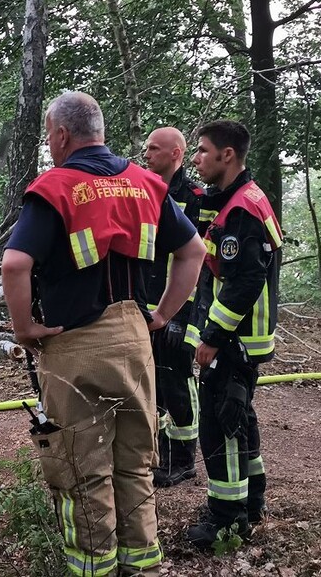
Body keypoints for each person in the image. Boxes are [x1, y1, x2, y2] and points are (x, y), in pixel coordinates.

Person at [2, 92, 206, 577]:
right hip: (134, 339)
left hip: (74, 346)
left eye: (50, 136)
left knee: (80, 469)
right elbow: (193, 252)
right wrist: (159, 315)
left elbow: (13, 264)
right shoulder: (146, 183)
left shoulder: (54, 187)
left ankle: (93, 567)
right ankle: (143, 565)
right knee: (136, 465)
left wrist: (24, 328)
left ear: (61, 135)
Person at [185, 119, 282, 548]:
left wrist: (212, 338)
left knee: (221, 424)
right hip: (246, 339)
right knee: (240, 416)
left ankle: (227, 519)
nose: (196, 158)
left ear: (228, 154)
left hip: (234, 340)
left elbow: (243, 282)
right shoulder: (239, 199)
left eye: (202, 150)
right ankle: (253, 499)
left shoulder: (242, 209)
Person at [144, 127, 204, 488]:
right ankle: (160, 453)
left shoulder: (196, 198)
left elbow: (202, 264)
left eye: (154, 149)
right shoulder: (144, 193)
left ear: (175, 154)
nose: (146, 154)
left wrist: (185, 320)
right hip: (146, 308)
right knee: (152, 386)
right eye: (146, 148)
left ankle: (183, 459)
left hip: (179, 310)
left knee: (177, 382)